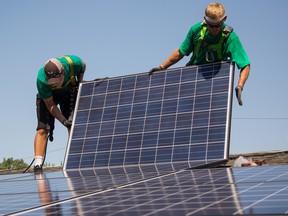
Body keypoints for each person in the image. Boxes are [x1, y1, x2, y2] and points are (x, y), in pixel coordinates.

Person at [149, 2, 250, 106]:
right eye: (211, 26)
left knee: (208, 115)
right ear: (205, 20)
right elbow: (181, 51)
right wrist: (162, 67)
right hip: (193, 77)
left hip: (216, 81)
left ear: (224, 19)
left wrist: (240, 86)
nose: (214, 29)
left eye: (218, 25)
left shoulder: (230, 37)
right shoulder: (196, 30)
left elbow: (245, 64)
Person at [34, 55, 86, 174]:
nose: (55, 85)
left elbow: (83, 66)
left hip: (68, 92)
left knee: (72, 125)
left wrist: (80, 81)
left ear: (62, 72)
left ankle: (75, 159)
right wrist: (63, 121)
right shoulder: (41, 80)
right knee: (43, 129)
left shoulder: (74, 63)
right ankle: (37, 164)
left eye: (56, 82)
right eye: (51, 83)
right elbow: (50, 105)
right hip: (48, 98)